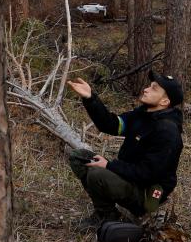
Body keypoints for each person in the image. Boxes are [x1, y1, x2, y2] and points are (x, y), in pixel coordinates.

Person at [66, 70, 184, 232]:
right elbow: (111, 124)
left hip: (147, 192)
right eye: (149, 85)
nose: (146, 89)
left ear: (165, 101)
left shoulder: (167, 131)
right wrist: (90, 98)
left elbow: (148, 173)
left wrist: (109, 166)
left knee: (96, 173)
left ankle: (113, 216)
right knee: (78, 157)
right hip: (129, 177)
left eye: (154, 88)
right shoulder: (142, 114)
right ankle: (108, 211)